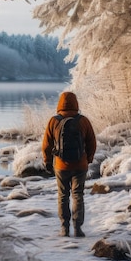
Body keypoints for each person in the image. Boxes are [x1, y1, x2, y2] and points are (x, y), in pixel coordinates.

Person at [42, 91, 96, 237]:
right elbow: (92, 141)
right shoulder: (83, 120)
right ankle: (78, 228)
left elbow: (47, 144)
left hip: (61, 165)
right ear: (76, 103)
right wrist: (88, 158)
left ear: (59, 104)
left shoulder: (54, 121)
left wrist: (47, 161)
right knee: (78, 195)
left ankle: (64, 229)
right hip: (80, 165)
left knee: (63, 196)